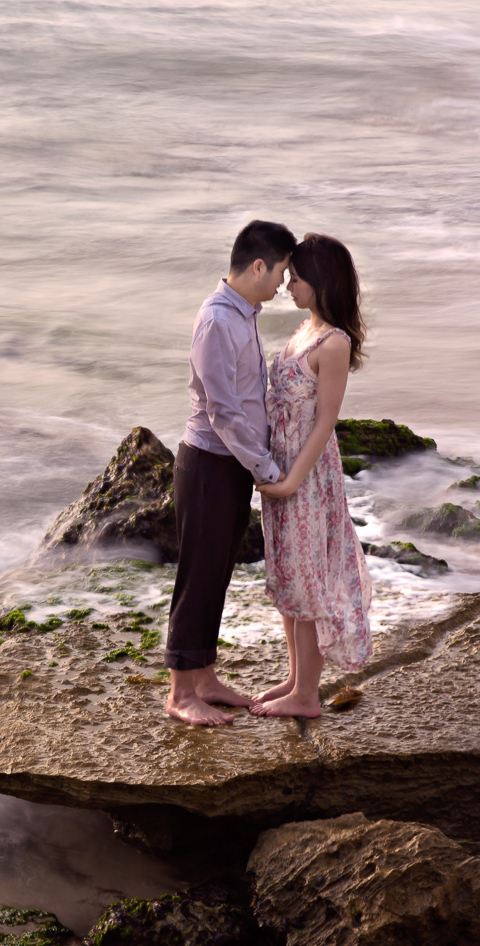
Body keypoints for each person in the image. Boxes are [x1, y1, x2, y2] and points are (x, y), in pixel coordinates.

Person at [163, 219, 299, 726]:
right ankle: (180, 693)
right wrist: (266, 466)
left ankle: (204, 677)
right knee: (198, 577)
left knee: (218, 572)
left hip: (231, 464)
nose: (284, 283)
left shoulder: (245, 312)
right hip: (208, 464)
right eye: (281, 271)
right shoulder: (218, 320)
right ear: (259, 265)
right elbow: (222, 410)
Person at [250, 233, 373, 718]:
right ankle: (296, 677)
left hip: (308, 479)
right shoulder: (304, 329)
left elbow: (324, 424)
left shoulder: (334, 342)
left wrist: (291, 482)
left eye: (296, 279)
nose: (288, 287)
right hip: (282, 475)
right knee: (286, 578)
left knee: (307, 582)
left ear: (319, 283)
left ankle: (307, 696)